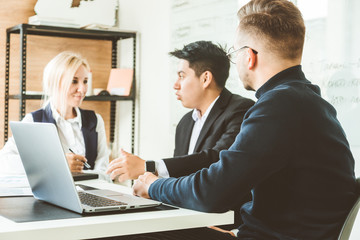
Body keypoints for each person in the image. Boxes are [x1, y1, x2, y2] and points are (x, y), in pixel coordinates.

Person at [130, 0, 358, 239]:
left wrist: (154, 185)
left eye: (234, 53)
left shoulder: (278, 106)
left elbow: (212, 191)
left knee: (135, 230)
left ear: (249, 57)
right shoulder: (310, 102)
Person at [106, 41, 254, 183]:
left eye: (182, 76)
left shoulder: (241, 110)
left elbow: (217, 159)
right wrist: (152, 185)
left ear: (206, 79)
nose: (175, 85)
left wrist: (149, 167)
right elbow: (180, 177)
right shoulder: (185, 122)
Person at [0, 51, 111, 181]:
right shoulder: (34, 121)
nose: (82, 89)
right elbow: (4, 163)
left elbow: (104, 172)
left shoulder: (95, 121)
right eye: (74, 81)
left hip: (89, 195)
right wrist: (58, 164)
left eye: (85, 81)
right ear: (55, 82)